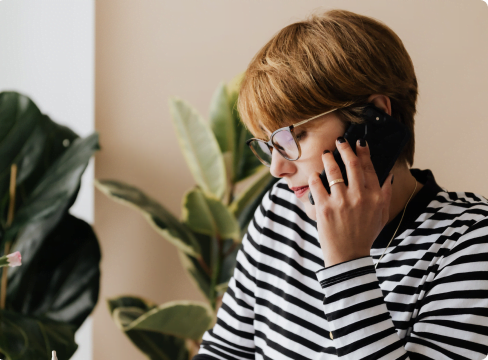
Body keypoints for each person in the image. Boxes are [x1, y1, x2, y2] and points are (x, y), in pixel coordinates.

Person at [194, 9, 488, 360]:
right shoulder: (282, 209)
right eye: (268, 144)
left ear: (373, 118)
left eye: (293, 135)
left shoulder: (471, 243)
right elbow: (223, 352)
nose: (276, 168)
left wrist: (347, 263)